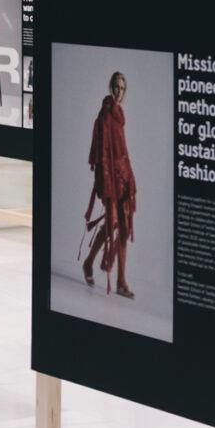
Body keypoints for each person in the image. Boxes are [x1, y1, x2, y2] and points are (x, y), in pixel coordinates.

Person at [85, 71, 135, 298]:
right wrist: (104, 182)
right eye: (116, 86)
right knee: (112, 224)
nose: (119, 91)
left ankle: (121, 281)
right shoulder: (105, 116)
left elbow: (123, 152)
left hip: (123, 179)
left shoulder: (120, 115)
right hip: (110, 181)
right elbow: (102, 153)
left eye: (122, 87)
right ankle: (89, 263)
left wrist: (129, 178)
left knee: (122, 229)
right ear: (110, 87)